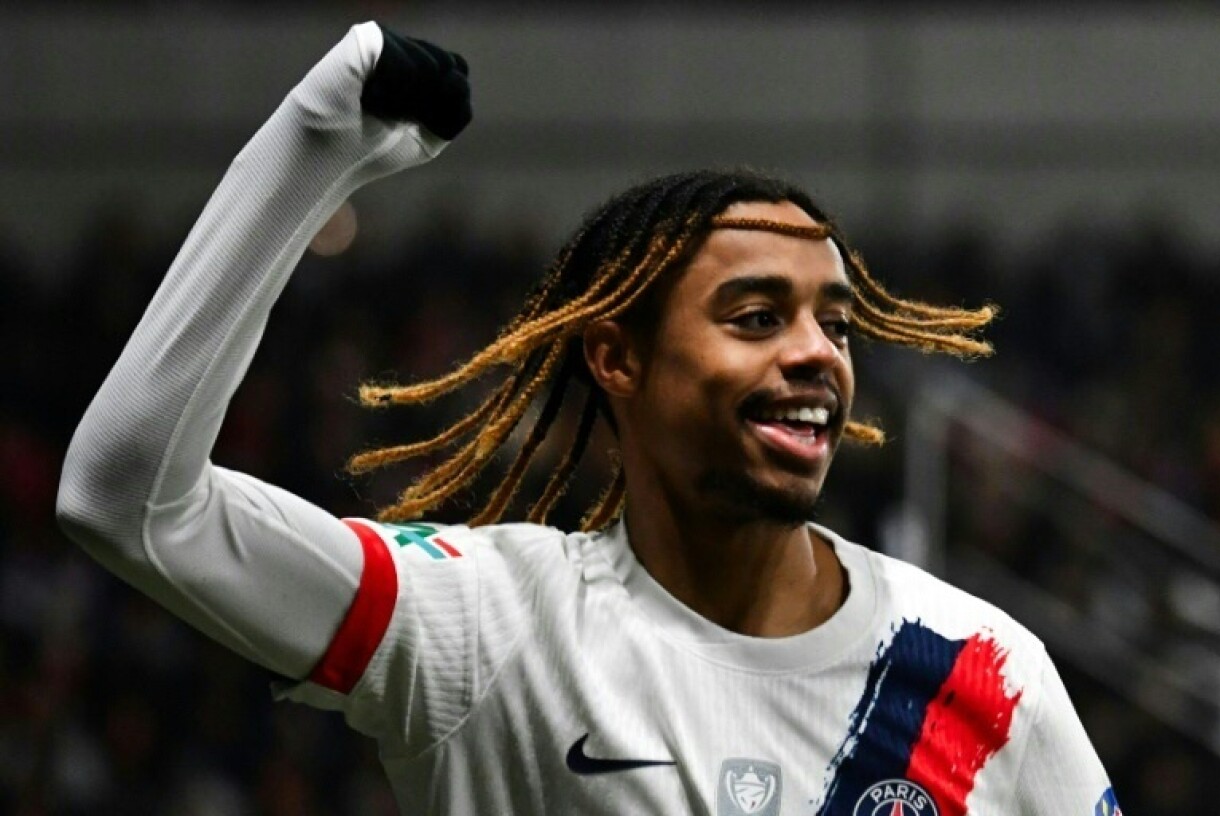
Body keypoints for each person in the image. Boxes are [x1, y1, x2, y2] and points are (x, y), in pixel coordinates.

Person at [57, 21, 1120, 816]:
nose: (814, 352)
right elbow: (129, 503)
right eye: (756, 315)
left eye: (834, 323)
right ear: (617, 356)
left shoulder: (983, 669)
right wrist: (309, 148)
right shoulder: (487, 629)